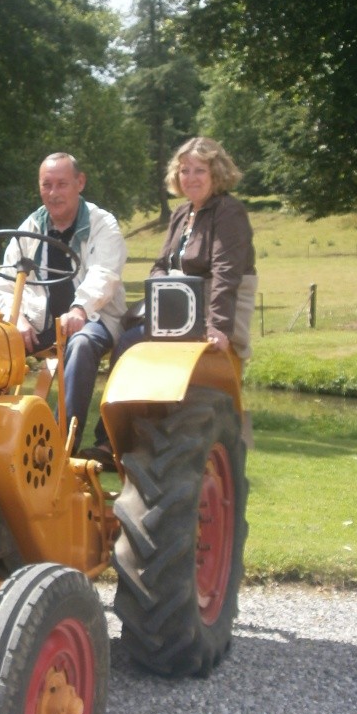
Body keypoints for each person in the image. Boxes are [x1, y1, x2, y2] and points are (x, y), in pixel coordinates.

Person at [86, 136, 258, 466]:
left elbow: (226, 273)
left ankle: (111, 442)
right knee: (128, 339)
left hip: (209, 311)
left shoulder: (229, 212)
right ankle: (118, 436)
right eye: (184, 170)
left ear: (217, 173)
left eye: (199, 170)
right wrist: (159, 286)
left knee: (132, 342)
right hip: (176, 311)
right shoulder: (182, 214)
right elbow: (160, 264)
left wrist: (218, 326)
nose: (190, 178)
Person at [0, 151, 127, 452]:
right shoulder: (30, 226)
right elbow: (6, 283)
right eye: (47, 185)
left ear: (80, 183)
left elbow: (104, 274)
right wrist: (17, 319)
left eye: (62, 184)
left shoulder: (102, 224)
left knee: (81, 343)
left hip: (94, 319)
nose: (53, 193)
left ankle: (59, 445)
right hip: (41, 323)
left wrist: (80, 308)